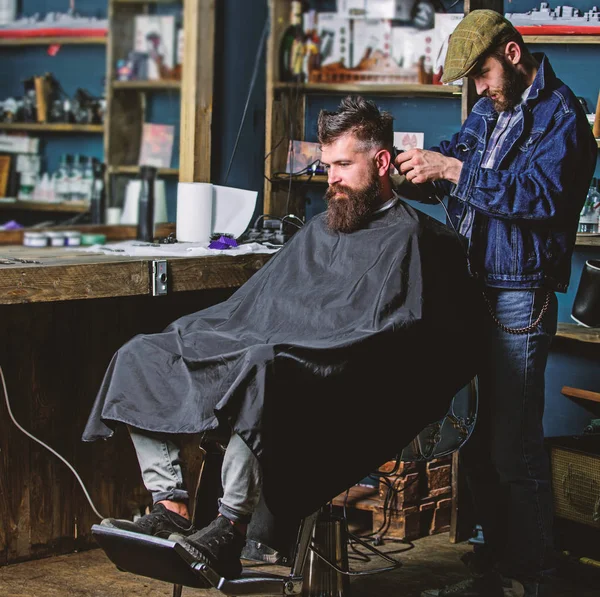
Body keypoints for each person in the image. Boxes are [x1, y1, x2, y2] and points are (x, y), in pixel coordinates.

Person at [83, 95, 483, 582]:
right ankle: (171, 505)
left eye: (341, 165)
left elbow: (398, 335)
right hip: (273, 349)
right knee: (145, 352)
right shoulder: (322, 228)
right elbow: (257, 308)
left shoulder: (413, 238)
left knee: (261, 364)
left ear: (380, 162)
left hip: (343, 373)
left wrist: (290, 347)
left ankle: (231, 526)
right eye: (325, 165)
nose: (330, 178)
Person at [393, 11, 598, 597]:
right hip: (473, 286)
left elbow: (540, 199)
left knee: (516, 443)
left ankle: (532, 573)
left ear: (511, 53)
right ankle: (495, 563)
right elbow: (456, 161)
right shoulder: (490, 110)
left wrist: (455, 170)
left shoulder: (562, 118)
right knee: (478, 440)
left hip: (519, 294)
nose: (478, 90)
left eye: (482, 74)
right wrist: (413, 169)